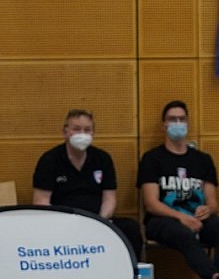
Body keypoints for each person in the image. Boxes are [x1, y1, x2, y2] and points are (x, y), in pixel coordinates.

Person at [137, 100, 219, 279]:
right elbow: (151, 203)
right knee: (184, 233)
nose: (177, 123)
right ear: (164, 125)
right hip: (163, 220)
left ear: (188, 123)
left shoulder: (203, 160)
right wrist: (181, 217)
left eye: (181, 119)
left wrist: (207, 209)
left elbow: (213, 202)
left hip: (197, 218)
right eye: (172, 119)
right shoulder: (152, 158)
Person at [32, 108, 140, 255]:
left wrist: (101, 221)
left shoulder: (102, 158)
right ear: (65, 132)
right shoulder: (50, 160)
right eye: (76, 129)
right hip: (62, 224)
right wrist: (65, 224)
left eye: (87, 130)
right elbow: (41, 202)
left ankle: (134, 269)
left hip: (97, 220)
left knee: (131, 228)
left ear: (93, 133)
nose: (82, 134)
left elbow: (109, 198)